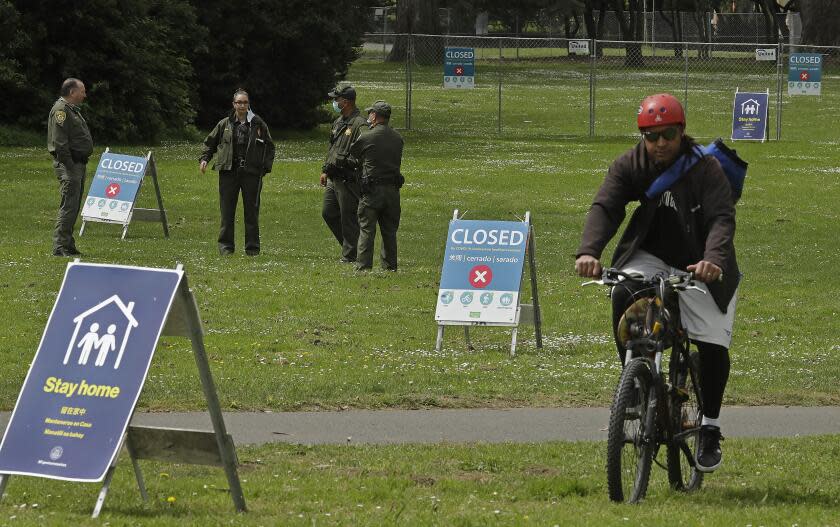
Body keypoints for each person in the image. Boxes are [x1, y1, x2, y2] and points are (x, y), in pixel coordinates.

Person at [575, 93, 740, 473]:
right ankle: (633, 381)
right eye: (651, 136)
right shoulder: (631, 163)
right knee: (623, 291)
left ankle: (710, 427)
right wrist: (589, 251)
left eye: (667, 134)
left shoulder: (706, 169)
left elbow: (721, 219)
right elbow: (607, 205)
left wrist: (713, 261)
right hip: (650, 254)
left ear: (681, 132)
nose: (660, 143)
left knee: (712, 344)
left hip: (703, 263)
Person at [200, 89, 275, 255]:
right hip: (228, 172)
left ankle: (252, 249)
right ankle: (226, 248)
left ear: (249, 104)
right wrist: (205, 158)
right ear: (234, 104)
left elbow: (270, 147)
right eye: (239, 102)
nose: (242, 105)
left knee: (251, 213)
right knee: (227, 212)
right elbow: (210, 142)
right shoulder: (224, 124)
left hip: (251, 174)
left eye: (245, 102)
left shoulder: (258, 124)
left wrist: (264, 169)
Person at [348, 101, 404, 271]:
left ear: (375, 115)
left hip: (372, 190)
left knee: (367, 229)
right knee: (389, 231)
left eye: (371, 113)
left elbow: (354, 155)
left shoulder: (367, 136)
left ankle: (363, 266)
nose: (369, 116)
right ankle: (389, 266)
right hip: (393, 190)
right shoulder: (398, 138)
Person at [321, 84, 367, 263]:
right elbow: (332, 148)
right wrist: (325, 170)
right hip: (333, 177)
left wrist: (344, 163)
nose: (334, 102)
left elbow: (363, 153)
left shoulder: (359, 124)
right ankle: (350, 247)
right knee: (328, 212)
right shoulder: (338, 122)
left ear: (346, 102)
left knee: (348, 217)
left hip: (348, 178)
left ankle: (350, 255)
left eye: (336, 99)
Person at [48, 78, 93, 257]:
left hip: (77, 164)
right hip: (70, 165)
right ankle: (60, 246)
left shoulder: (71, 110)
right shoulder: (61, 111)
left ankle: (68, 243)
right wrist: (70, 165)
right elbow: (60, 143)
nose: (84, 94)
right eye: (82, 91)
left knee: (74, 206)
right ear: (73, 92)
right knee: (68, 205)